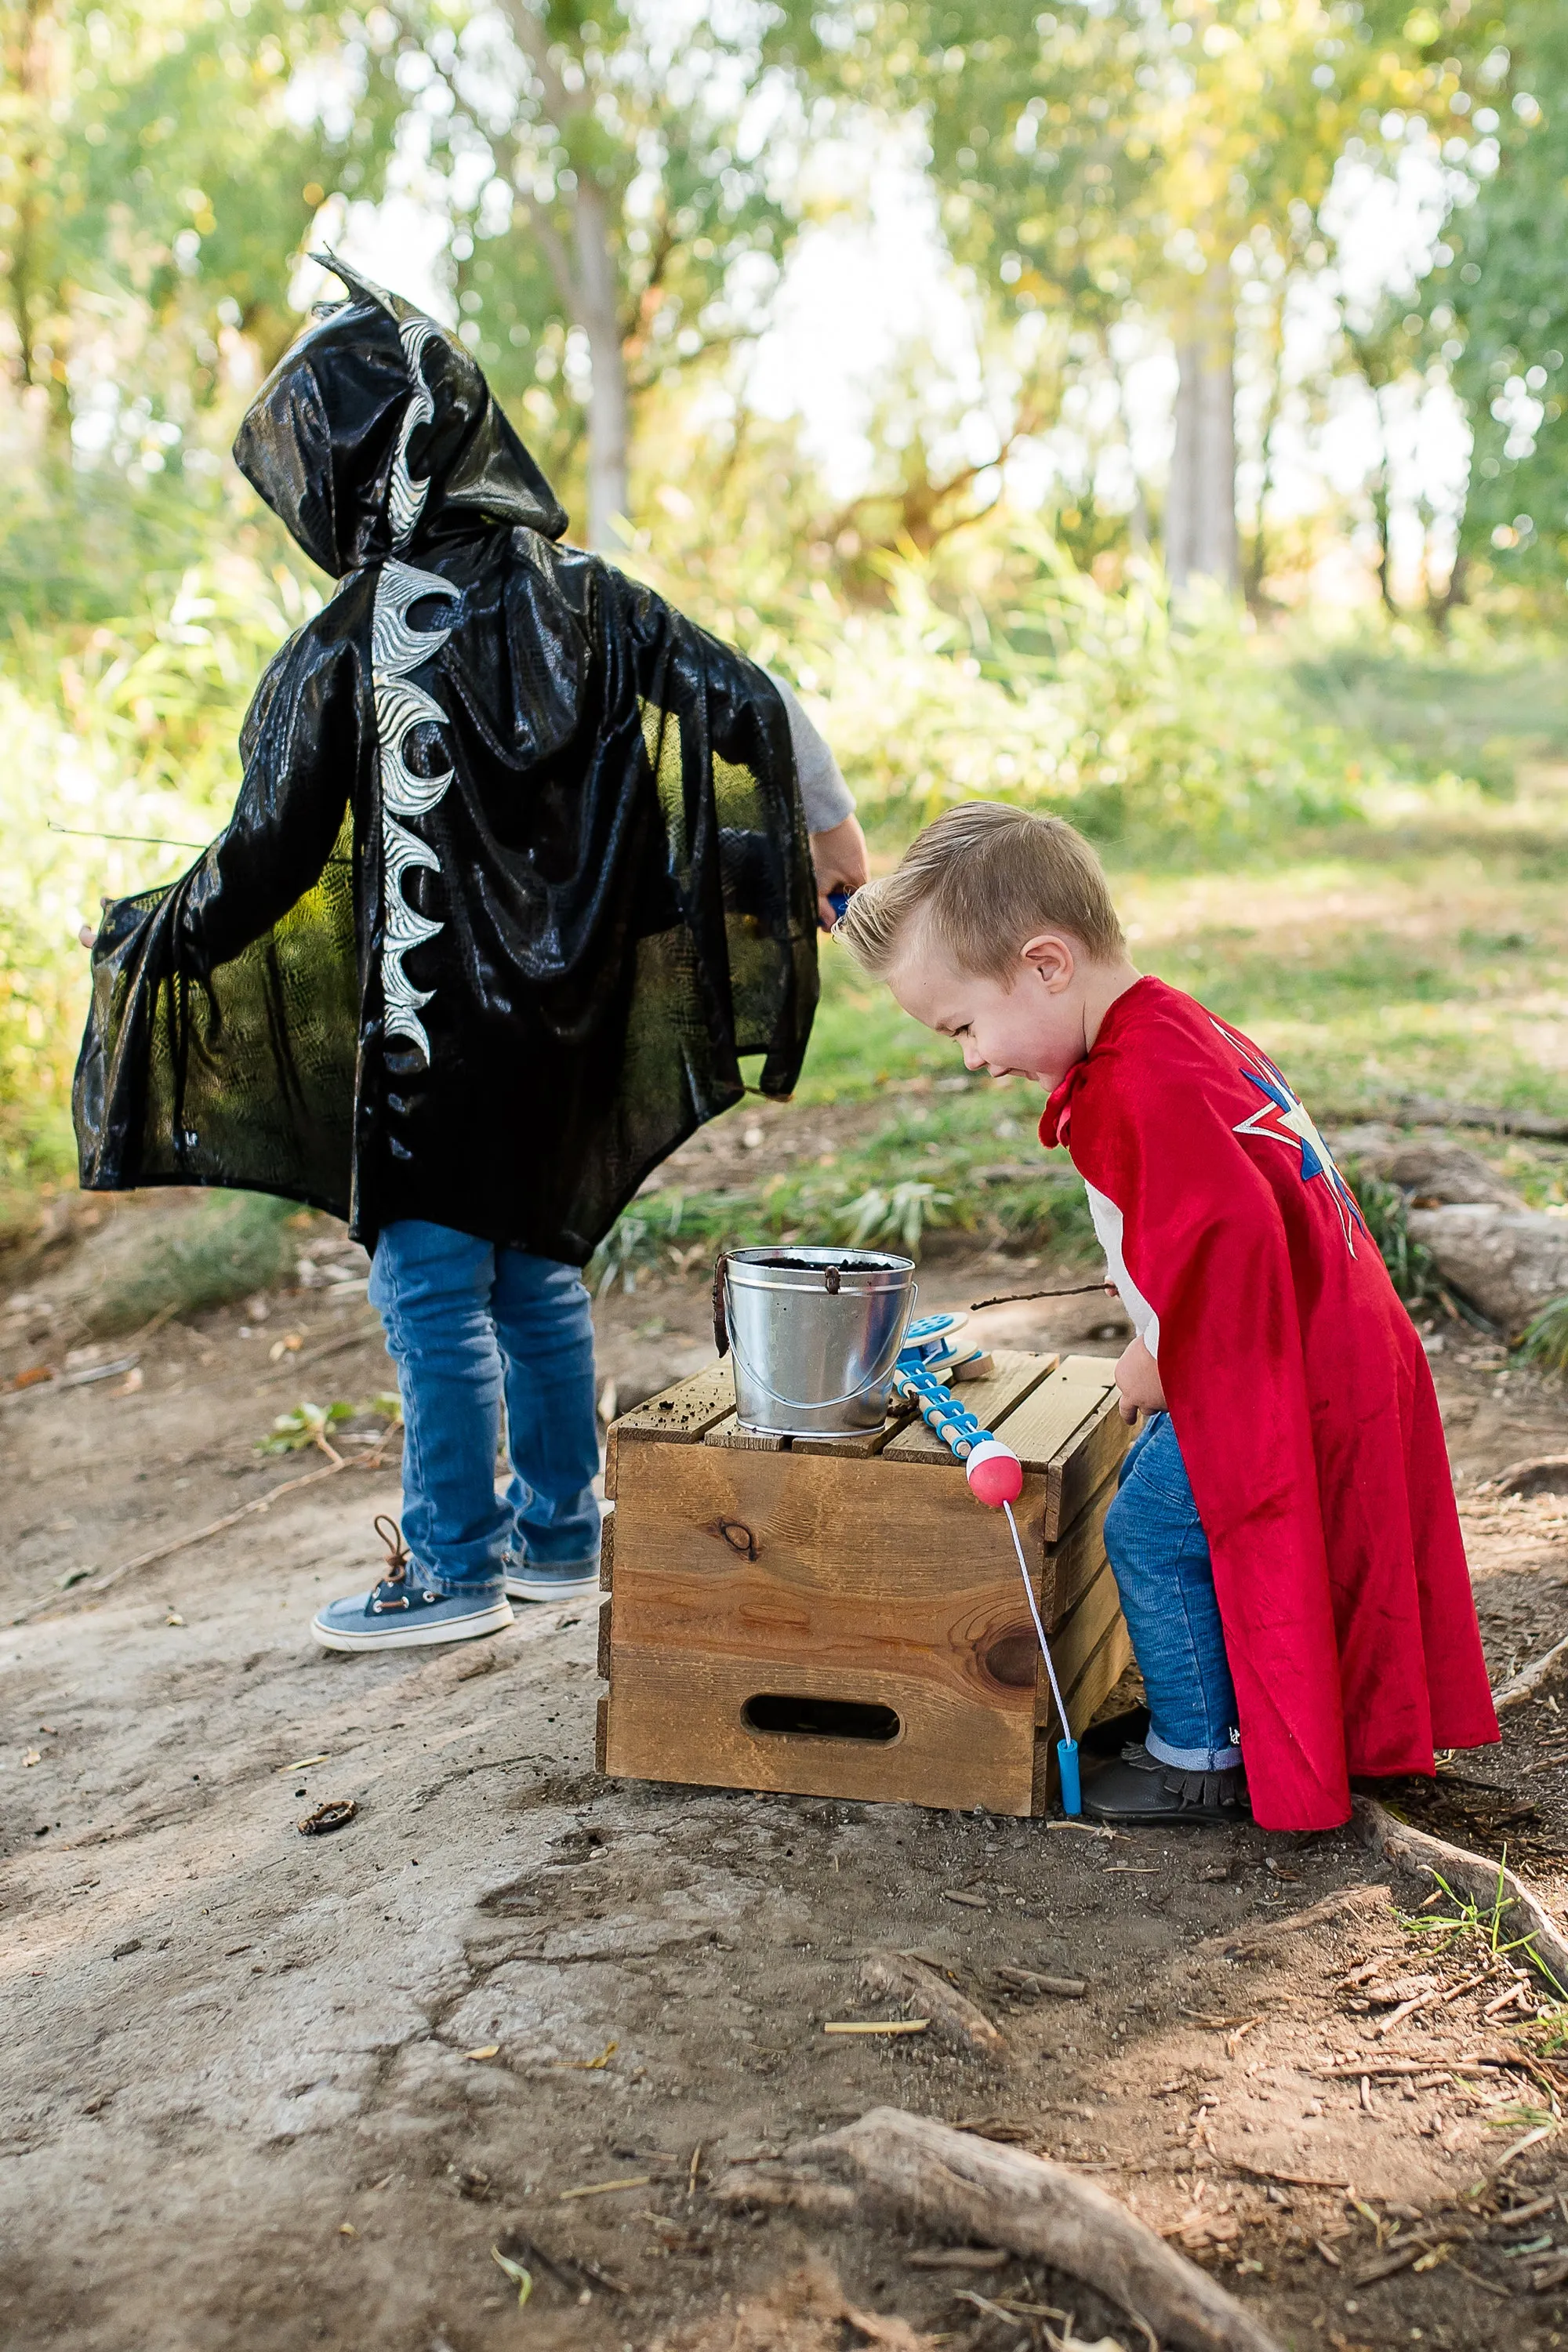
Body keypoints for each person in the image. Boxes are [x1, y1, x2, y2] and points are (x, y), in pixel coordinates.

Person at [74, 255, 867, 1653]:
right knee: (536, 1272)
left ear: (367, 464)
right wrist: (828, 827)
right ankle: (562, 1539)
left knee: (434, 1289)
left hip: (429, 1037)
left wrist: (153, 936)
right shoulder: (595, 601)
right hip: (559, 1028)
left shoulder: (353, 640)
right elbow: (749, 694)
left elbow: (264, 857)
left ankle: (451, 1567)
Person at [834, 800, 1497, 1832]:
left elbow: (1228, 1240)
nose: (971, 1058)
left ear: (1047, 965)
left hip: (1281, 1363)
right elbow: (1210, 1211)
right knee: (1160, 1497)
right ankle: (1233, 1707)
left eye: (964, 1025)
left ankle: (1197, 1755)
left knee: (1146, 1527)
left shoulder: (1134, 1086)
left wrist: (1158, 1356)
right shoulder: (1166, 1025)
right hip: (1331, 1342)